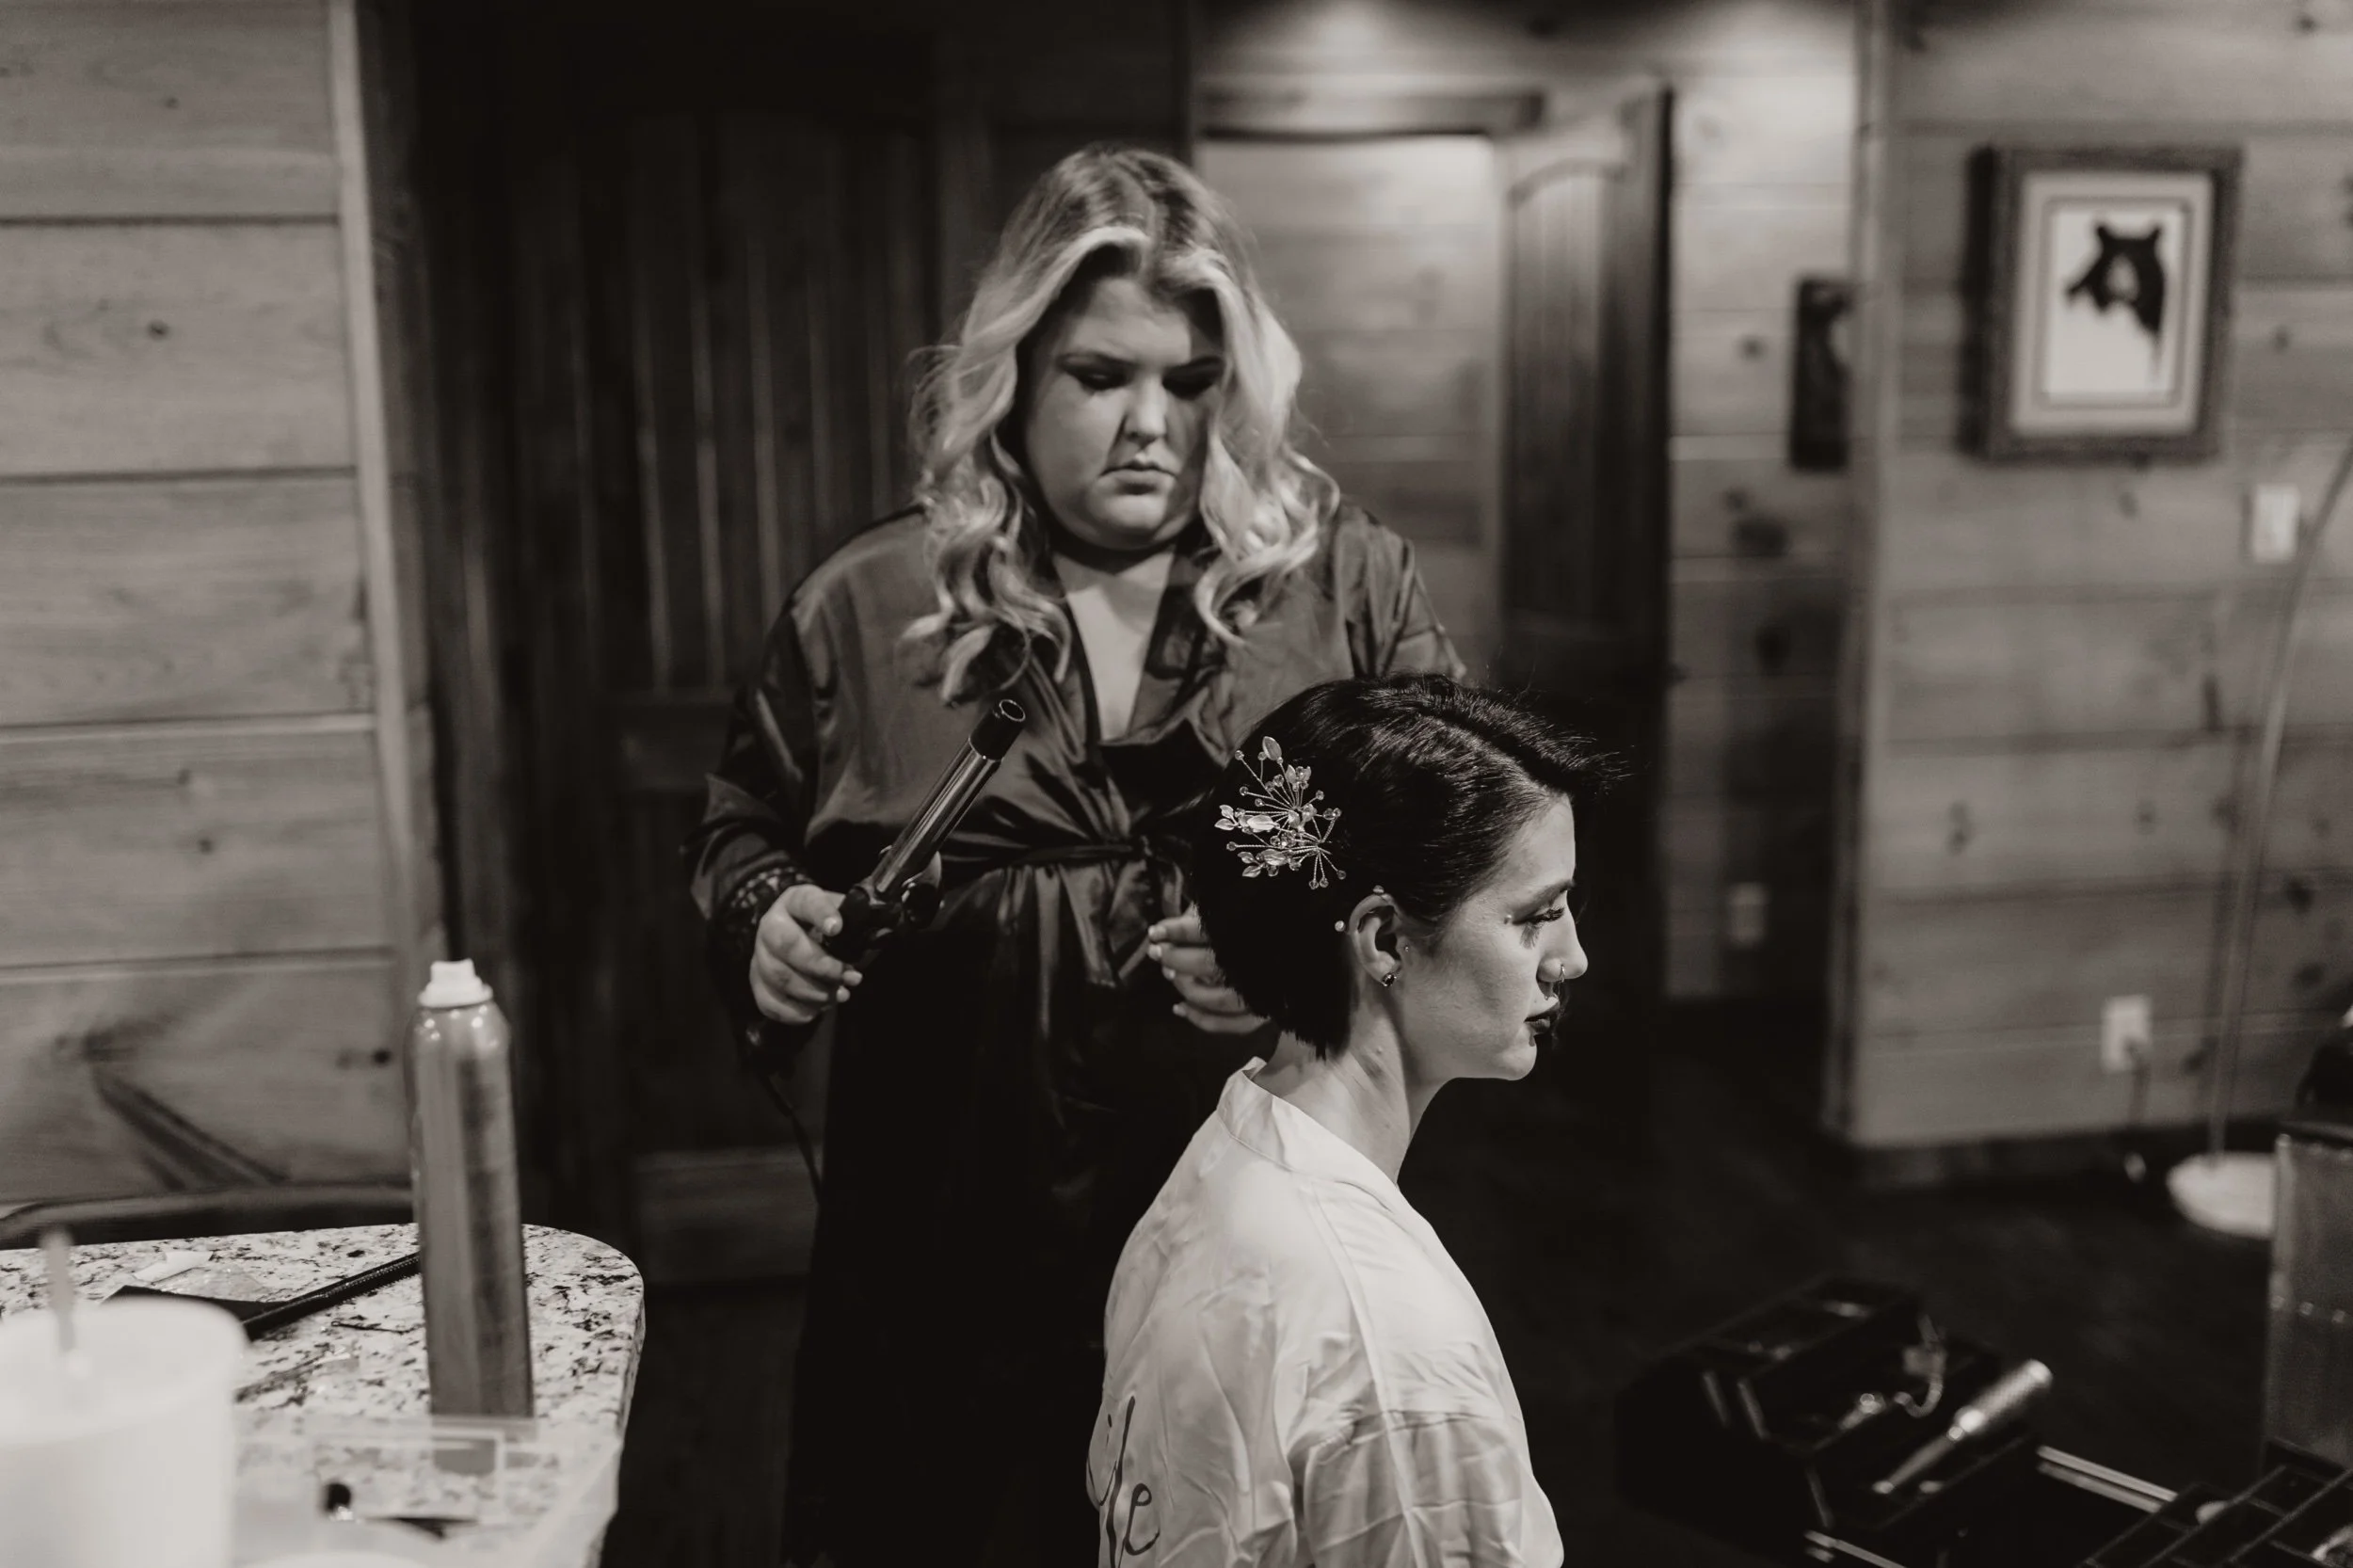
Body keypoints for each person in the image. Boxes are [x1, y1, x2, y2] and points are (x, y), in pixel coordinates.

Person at [683, 145, 1464, 1568]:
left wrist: (1303, 954)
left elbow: (1448, 853)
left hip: (1250, 1228)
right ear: (1016, 374)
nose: (1150, 425)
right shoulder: (871, 604)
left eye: (1190, 381)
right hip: (945, 1223)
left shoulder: (1345, 588)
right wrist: (764, 911)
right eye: (1100, 377)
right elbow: (741, 822)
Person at [1091, 675, 1607, 1568]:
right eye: (1537, 916)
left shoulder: (1220, 1159)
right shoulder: (1391, 1346)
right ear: (1383, 939)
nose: (1573, 958)